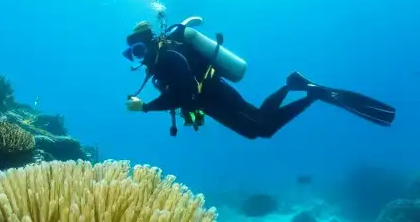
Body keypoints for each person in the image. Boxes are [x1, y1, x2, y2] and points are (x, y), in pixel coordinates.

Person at [122, 16, 396, 139]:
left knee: (260, 128)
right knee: (259, 125)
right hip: (212, 97)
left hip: (215, 95)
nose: (138, 57)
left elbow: (182, 93)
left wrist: (145, 106)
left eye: (138, 50)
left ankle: (308, 92)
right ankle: (294, 85)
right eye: (132, 54)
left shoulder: (169, 57)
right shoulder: (159, 63)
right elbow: (180, 95)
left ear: (149, 43)